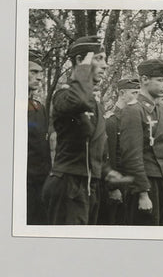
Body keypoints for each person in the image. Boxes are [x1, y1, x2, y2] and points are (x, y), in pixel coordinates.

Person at [42, 35, 125, 225]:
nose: (105, 65)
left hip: (90, 186)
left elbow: (94, 146)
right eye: (98, 58)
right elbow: (78, 101)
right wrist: (83, 71)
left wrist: (107, 173)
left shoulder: (95, 102)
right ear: (80, 61)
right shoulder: (63, 95)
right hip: (68, 186)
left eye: (104, 59)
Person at [120, 59, 163, 226]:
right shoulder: (133, 111)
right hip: (146, 184)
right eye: (160, 80)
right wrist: (143, 193)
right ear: (144, 80)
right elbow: (131, 156)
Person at [98, 78, 140, 225]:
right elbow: (108, 157)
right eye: (134, 93)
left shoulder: (134, 117)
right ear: (122, 93)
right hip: (118, 183)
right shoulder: (111, 120)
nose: (137, 98)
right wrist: (113, 188)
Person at [27, 50, 51, 224]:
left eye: (40, 73)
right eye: (34, 72)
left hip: (40, 182)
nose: (40, 77)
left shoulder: (39, 107)